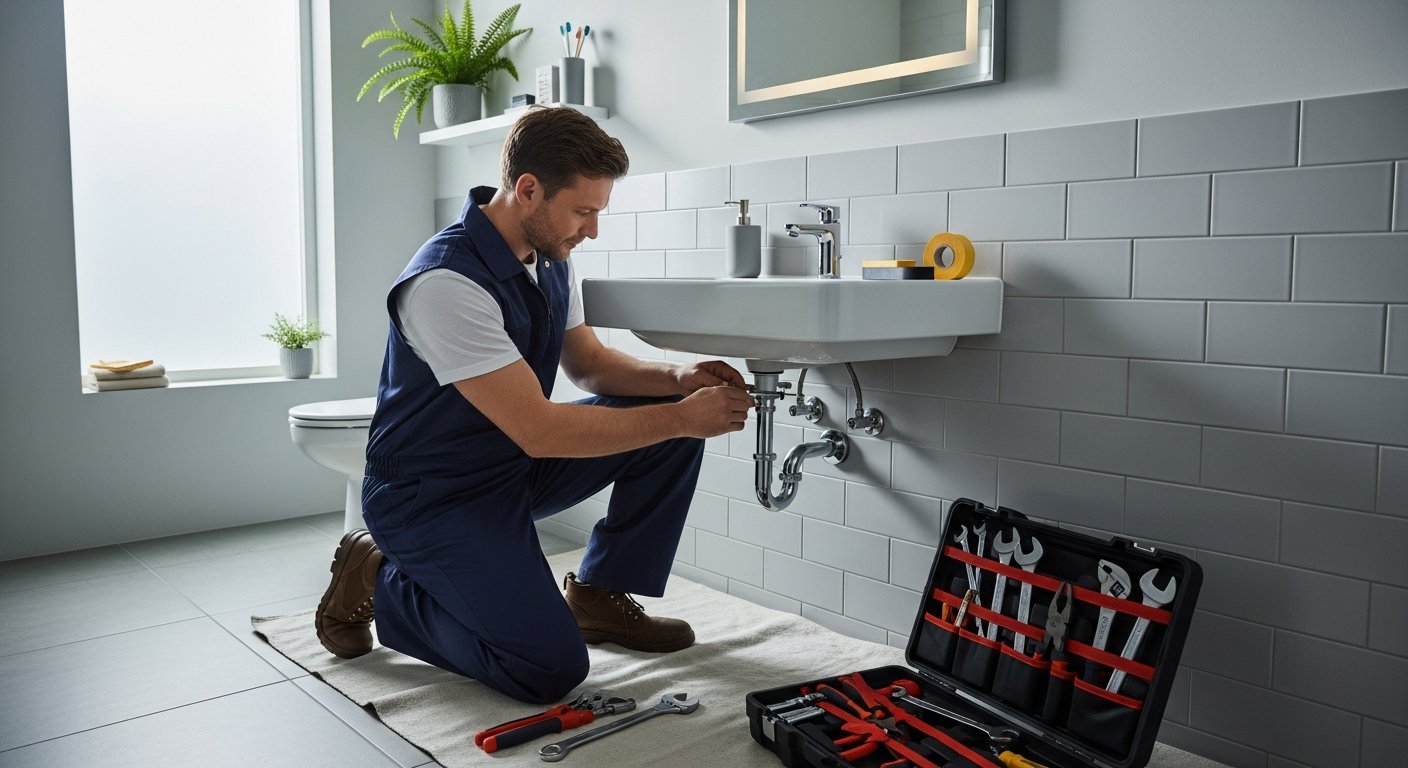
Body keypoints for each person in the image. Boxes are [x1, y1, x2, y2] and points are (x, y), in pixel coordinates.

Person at [313, 106, 756, 705]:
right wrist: (683, 413)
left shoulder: (551, 261)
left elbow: (591, 364)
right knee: (545, 668)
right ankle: (382, 576)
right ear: (527, 190)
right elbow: (540, 429)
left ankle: (598, 596)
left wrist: (679, 378)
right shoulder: (446, 284)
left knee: (669, 428)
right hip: (431, 496)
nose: (591, 229)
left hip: (508, 470)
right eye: (583, 211)